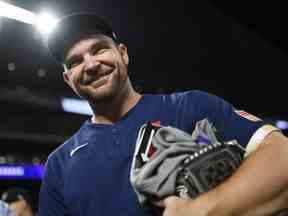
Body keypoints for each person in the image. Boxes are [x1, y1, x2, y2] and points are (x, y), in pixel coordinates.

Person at [39, 12, 288, 216]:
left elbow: (282, 156)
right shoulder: (59, 166)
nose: (91, 65)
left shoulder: (191, 107)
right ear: (68, 80)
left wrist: (202, 210)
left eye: (99, 49)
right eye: (75, 62)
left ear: (123, 53)